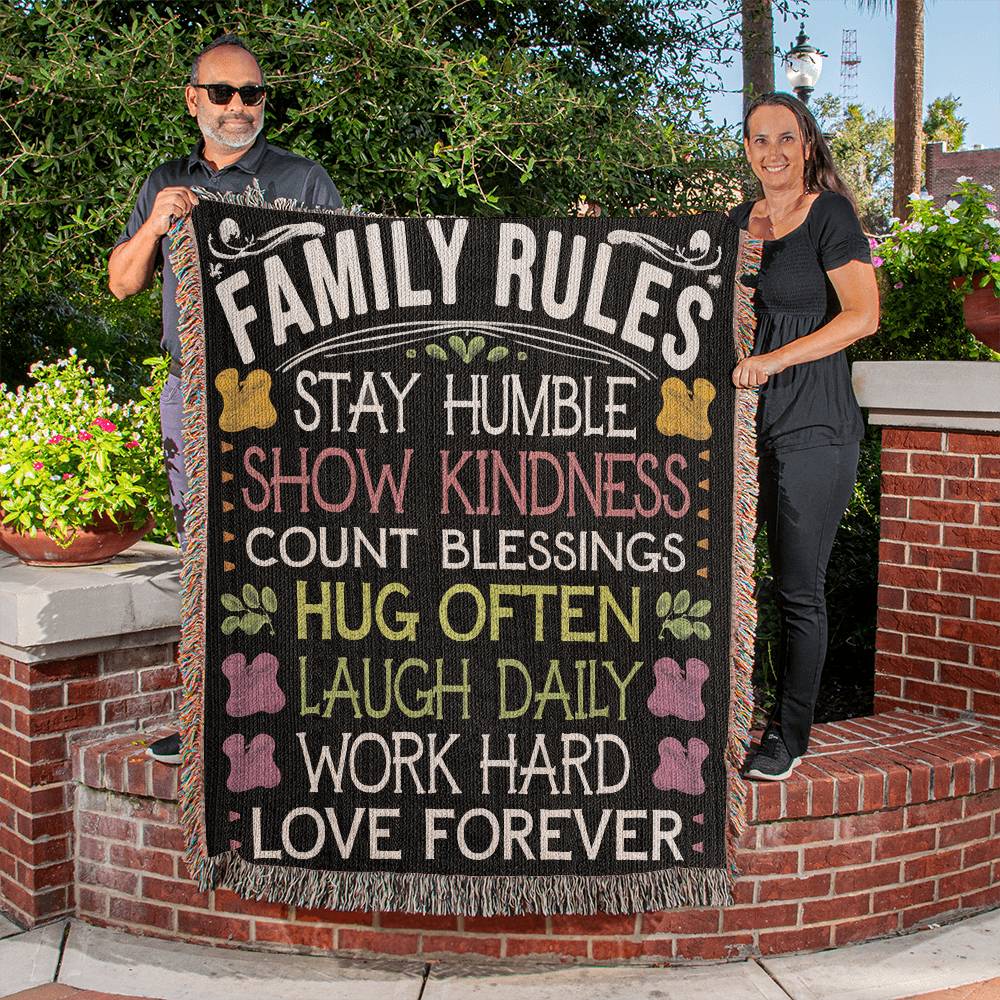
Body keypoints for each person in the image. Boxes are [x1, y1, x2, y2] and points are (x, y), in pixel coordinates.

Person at [109, 34, 342, 765]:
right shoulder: (165, 183)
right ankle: (211, 721)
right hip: (192, 396)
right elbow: (121, 282)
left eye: (251, 93)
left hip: (282, 398)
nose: (238, 107)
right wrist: (156, 222)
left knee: (291, 552)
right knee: (205, 559)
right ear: (193, 100)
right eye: (222, 93)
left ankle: (298, 720)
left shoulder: (303, 181)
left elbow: (344, 290)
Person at [728, 92, 879, 781]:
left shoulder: (830, 215)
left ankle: (786, 738)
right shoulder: (740, 223)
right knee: (723, 580)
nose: (774, 152)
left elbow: (863, 317)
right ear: (749, 149)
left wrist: (774, 360)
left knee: (797, 590)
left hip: (814, 427)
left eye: (786, 138)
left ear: (808, 144)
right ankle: (719, 716)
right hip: (742, 430)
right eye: (760, 140)